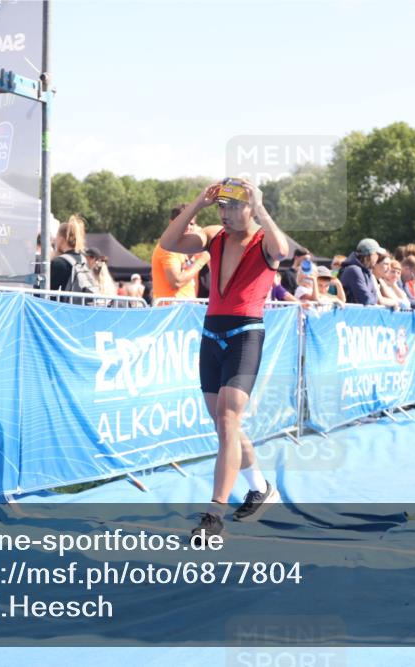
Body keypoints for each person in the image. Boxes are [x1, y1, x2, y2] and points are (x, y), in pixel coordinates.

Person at [158, 178, 288, 542]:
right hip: (212, 332)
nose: (226, 214)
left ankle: (215, 513)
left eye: (234, 207)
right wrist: (199, 203)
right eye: (222, 206)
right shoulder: (214, 235)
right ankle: (260, 487)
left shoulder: (263, 239)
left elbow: (283, 250)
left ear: (250, 208)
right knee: (224, 424)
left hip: (245, 333)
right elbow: (167, 244)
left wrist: (261, 207)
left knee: (229, 418)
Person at [151, 204, 210, 302]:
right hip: (172, 311)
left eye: (191, 224)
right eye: (185, 222)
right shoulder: (167, 248)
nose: (188, 227)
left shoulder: (184, 249)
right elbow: (176, 282)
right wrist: (201, 261)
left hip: (185, 309)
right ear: (172, 223)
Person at [49, 216, 96, 297]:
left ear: (61, 239)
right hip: (79, 307)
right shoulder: (83, 259)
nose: (55, 240)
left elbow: (47, 292)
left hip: (62, 308)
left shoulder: (58, 263)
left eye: (56, 236)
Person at [339, 238, 381, 305]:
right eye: (377, 254)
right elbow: (367, 300)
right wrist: (375, 297)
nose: (378, 257)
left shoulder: (367, 271)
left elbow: (373, 298)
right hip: (348, 315)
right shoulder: (354, 270)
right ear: (369, 255)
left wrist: (374, 297)